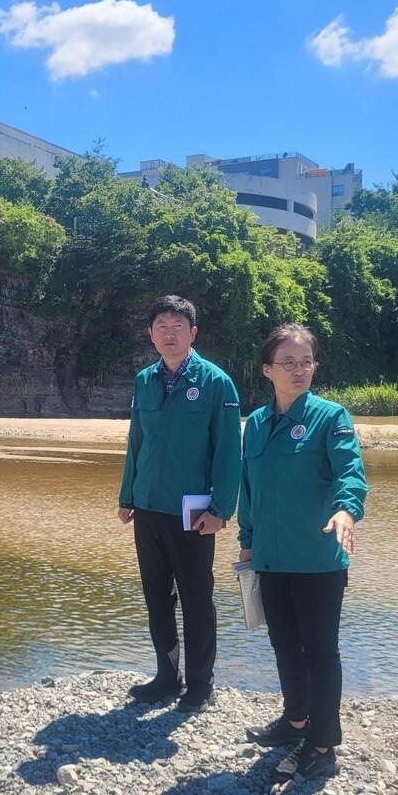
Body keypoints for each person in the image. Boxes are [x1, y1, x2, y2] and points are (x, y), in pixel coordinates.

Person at [237, 324, 367, 785]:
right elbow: (248, 488)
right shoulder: (254, 423)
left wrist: (347, 510)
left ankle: (323, 742)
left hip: (317, 560)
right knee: (284, 645)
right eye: (288, 363)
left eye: (306, 361)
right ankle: (294, 722)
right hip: (270, 559)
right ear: (267, 370)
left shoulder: (331, 418)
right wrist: (246, 540)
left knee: (320, 652)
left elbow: (350, 472)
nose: (299, 370)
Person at [118, 295, 242, 713]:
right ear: (151, 334)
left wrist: (222, 510)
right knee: (156, 595)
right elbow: (137, 441)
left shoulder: (216, 382)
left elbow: (228, 452)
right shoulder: (144, 380)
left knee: (196, 597)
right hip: (149, 507)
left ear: (193, 333)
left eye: (177, 326)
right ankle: (166, 676)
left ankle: (200, 684)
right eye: (161, 326)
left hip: (194, 513)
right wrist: (127, 495)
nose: (168, 333)